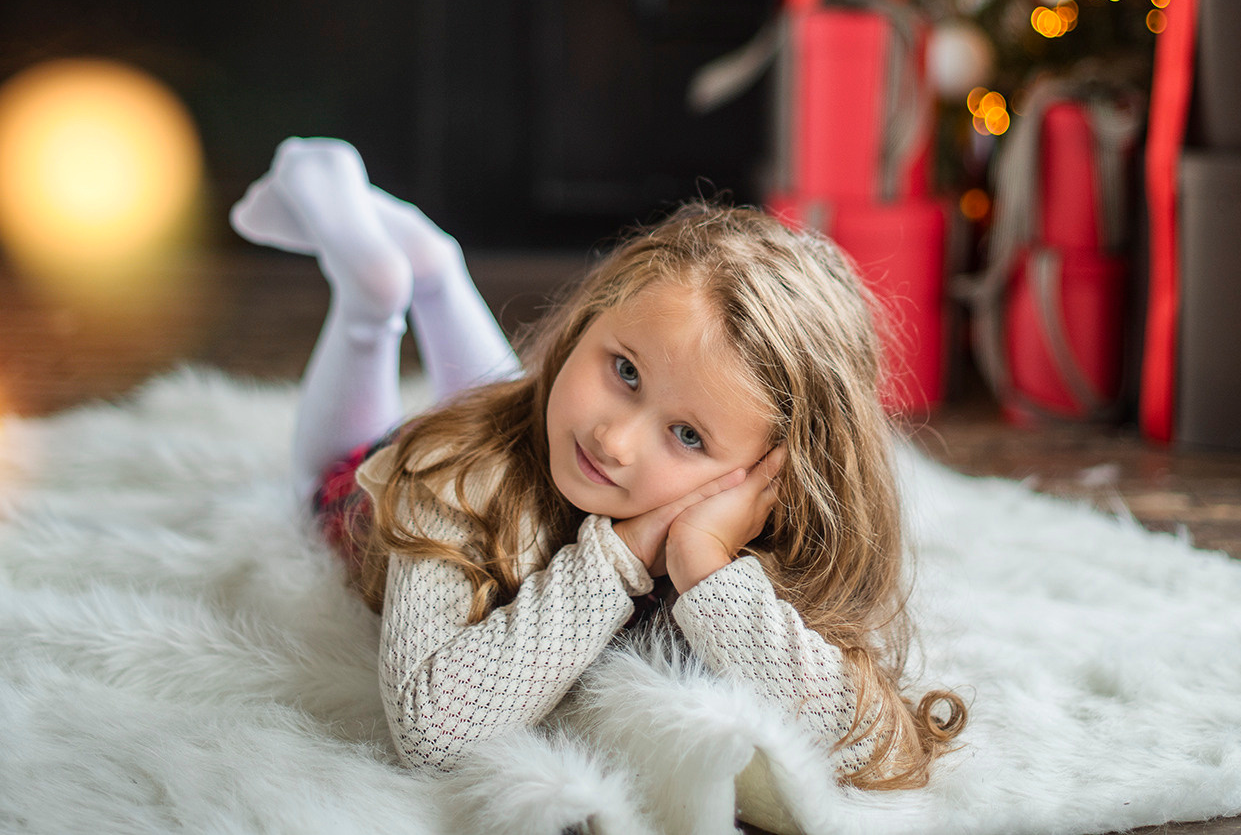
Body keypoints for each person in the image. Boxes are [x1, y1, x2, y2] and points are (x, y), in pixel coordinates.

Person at [232, 137, 967, 789]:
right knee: (361, 462)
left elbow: (867, 743)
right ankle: (374, 295)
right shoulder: (449, 478)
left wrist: (706, 565)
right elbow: (432, 734)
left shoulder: (751, 538)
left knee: (530, 407)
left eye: (686, 435)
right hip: (419, 469)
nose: (616, 438)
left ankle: (434, 266)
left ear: (771, 480)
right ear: (588, 320)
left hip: (527, 427)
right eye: (625, 370)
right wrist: (616, 557)